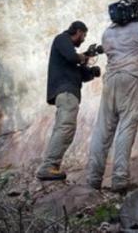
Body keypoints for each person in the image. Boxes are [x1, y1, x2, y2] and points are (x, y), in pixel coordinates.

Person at [86, 17, 138, 192]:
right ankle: (119, 179)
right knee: (127, 125)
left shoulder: (107, 32)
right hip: (130, 78)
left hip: (110, 79)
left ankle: (93, 178)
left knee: (103, 128)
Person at [36, 21, 96, 181]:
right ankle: (48, 166)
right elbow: (72, 56)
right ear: (77, 31)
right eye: (83, 35)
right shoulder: (62, 39)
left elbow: (83, 74)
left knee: (64, 128)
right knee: (65, 127)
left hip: (70, 92)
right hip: (66, 92)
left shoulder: (70, 54)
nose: (83, 39)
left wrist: (91, 71)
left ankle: (52, 166)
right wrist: (84, 56)